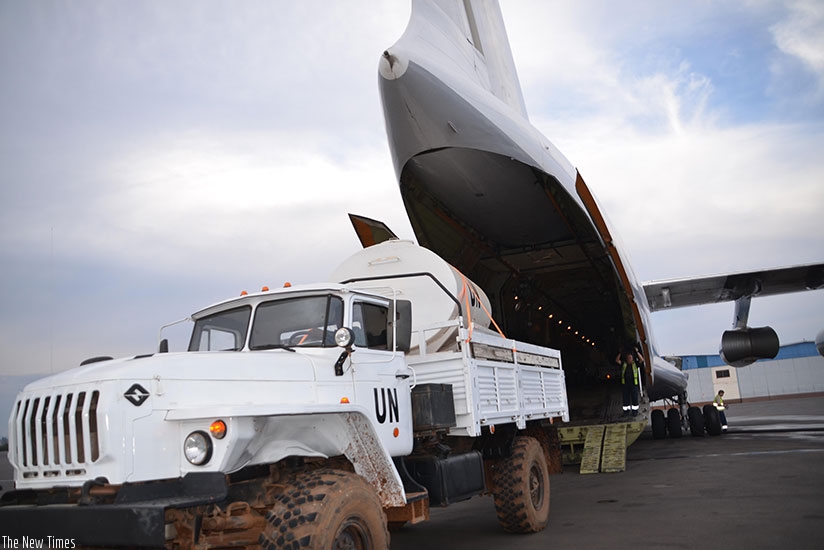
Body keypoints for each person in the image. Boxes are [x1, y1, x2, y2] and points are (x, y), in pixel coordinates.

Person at [616, 351, 643, 416]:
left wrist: (637, 352)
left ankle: (635, 411)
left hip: (633, 384)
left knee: (634, 398)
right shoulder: (624, 364)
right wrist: (620, 353)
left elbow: (641, 359)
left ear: (632, 358)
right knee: (625, 398)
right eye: (628, 358)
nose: (629, 359)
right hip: (625, 384)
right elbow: (617, 360)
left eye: (630, 358)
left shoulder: (635, 364)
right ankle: (626, 411)